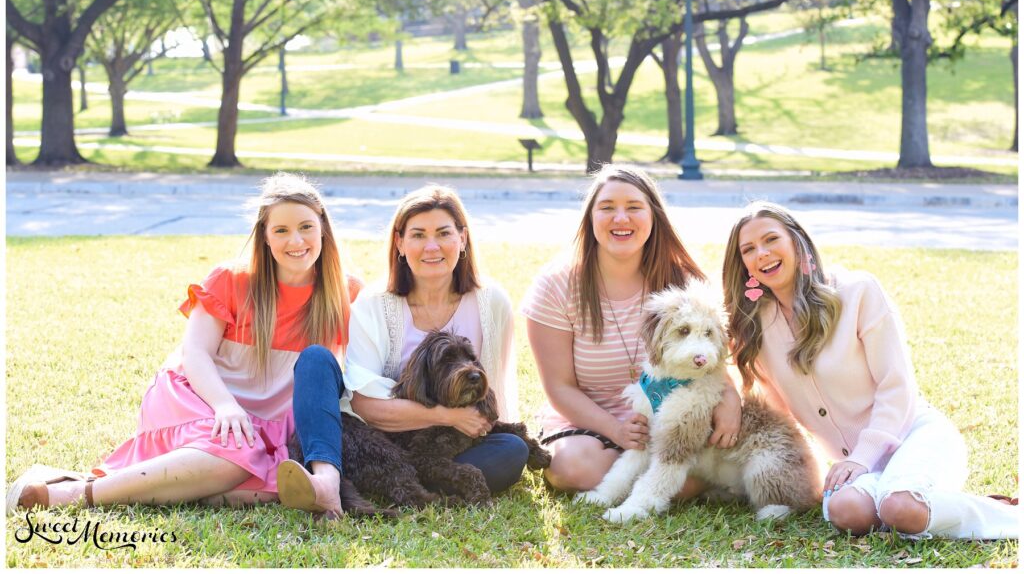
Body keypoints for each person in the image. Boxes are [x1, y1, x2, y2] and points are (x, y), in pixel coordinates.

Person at [6, 172, 362, 514]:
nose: (295, 241)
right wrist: (225, 406)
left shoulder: (345, 293)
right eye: (281, 230)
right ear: (265, 237)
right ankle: (76, 493)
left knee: (263, 485)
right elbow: (196, 352)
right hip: (203, 397)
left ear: (323, 229)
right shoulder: (232, 279)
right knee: (237, 458)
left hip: (270, 420)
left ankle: (138, 483)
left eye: (306, 228)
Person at [723, 201, 1018, 539]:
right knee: (847, 512)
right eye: (749, 249)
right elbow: (780, 416)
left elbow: (896, 387)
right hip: (854, 468)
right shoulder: (754, 330)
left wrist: (862, 458)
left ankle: (1009, 515)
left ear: (796, 241)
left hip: (914, 436)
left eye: (771, 239)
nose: (762, 253)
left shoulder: (857, 291)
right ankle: (938, 505)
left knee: (899, 509)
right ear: (743, 264)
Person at [278, 184, 525, 518]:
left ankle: (409, 479)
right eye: (418, 235)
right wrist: (446, 415)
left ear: (463, 239)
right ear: (400, 243)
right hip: (373, 437)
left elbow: (488, 395)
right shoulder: (374, 304)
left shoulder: (490, 301)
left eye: (443, 233)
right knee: (315, 360)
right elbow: (364, 405)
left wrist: (470, 425)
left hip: (445, 444)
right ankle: (335, 478)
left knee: (511, 452)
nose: (432, 246)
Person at [521, 164, 742, 493]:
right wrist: (617, 430)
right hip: (589, 422)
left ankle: (667, 474)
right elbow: (560, 388)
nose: (620, 219)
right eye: (607, 208)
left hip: (675, 418)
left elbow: (713, 357)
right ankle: (670, 478)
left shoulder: (683, 281)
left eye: (634, 208)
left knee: (696, 470)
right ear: (590, 218)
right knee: (572, 470)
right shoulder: (556, 286)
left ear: (653, 216)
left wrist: (731, 399)